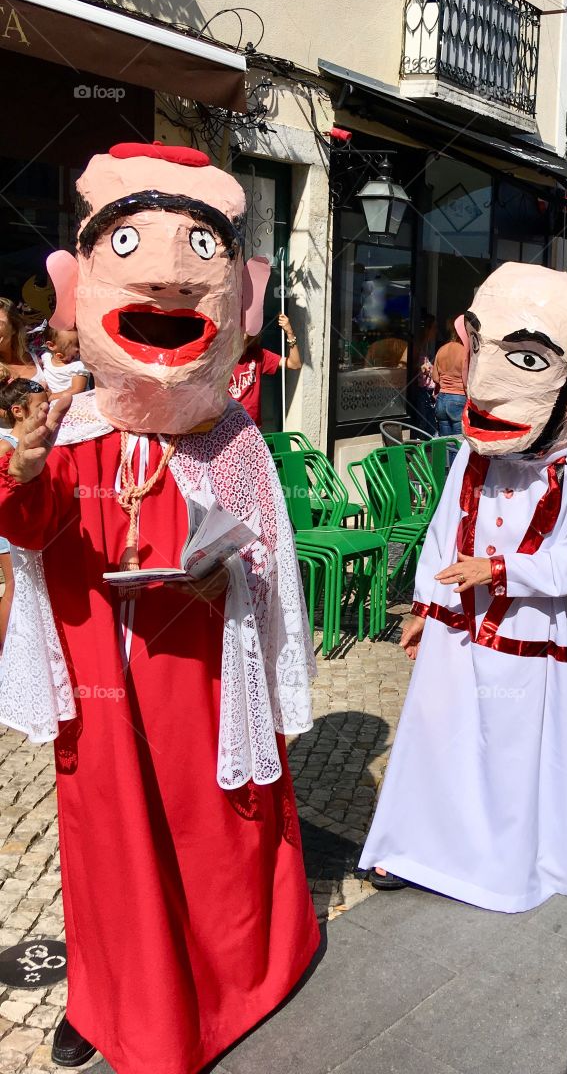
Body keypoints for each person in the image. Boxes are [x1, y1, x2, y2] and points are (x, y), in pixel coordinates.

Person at [0, 142, 319, 1074]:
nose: (173, 283)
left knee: (212, 836)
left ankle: (230, 984)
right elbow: (29, 526)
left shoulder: (234, 439)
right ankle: (105, 1003)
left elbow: (267, 567)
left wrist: (232, 582)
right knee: (107, 851)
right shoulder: (69, 426)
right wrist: (19, 468)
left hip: (200, 680)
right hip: (97, 676)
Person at [359, 263, 567, 912]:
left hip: (527, 642)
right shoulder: (474, 453)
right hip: (457, 629)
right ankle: (417, 848)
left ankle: (496, 864)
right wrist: (425, 606)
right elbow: (445, 527)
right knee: (436, 737)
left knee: (506, 752)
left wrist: (495, 571)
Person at [0, 378, 49, 645]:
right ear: (18, 411)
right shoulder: (5, 445)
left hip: (29, 521)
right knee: (13, 587)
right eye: (41, 406)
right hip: (9, 525)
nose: (46, 412)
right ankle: (7, 649)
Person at [229, 312, 301, 425]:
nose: (241, 332)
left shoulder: (259, 355)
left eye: (244, 328)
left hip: (252, 425)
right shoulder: (223, 360)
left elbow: (294, 363)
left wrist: (289, 332)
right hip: (229, 425)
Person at [432, 323, 466, 437]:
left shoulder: (441, 349)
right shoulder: (464, 352)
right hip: (459, 398)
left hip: (441, 399)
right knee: (458, 443)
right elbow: (467, 381)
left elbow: (435, 378)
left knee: (445, 443)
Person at [41, 327, 90, 395]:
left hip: (77, 403)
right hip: (54, 403)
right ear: (51, 345)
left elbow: (77, 390)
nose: (78, 349)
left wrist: (52, 397)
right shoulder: (46, 358)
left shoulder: (78, 366)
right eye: (76, 344)